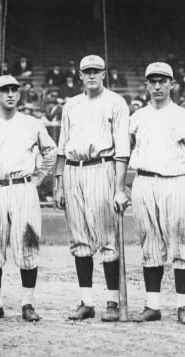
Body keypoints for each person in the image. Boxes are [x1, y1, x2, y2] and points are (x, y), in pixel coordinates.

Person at [129, 62, 185, 324]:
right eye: (152, 81)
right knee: (150, 244)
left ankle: (182, 307)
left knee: (181, 244)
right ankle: (152, 306)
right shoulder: (137, 117)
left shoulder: (183, 116)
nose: (157, 86)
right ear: (146, 85)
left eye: (162, 81)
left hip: (177, 182)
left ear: (171, 84)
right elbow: (124, 153)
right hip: (144, 182)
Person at [0, 75, 57, 322]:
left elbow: (51, 151)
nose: (10, 94)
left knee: (28, 244)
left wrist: (38, 176)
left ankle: (27, 303)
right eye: (4, 91)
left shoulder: (32, 123)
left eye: (14, 90)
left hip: (23, 188)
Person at [54, 55, 130, 322]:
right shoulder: (71, 105)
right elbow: (62, 147)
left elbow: (122, 149)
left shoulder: (116, 102)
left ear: (104, 74)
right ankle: (86, 301)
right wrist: (58, 182)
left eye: (97, 71)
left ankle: (112, 301)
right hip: (74, 171)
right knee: (79, 239)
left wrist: (120, 188)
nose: (92, 76)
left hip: (102, 167)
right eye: (87, 72)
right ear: (80, 75)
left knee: (108, 239)